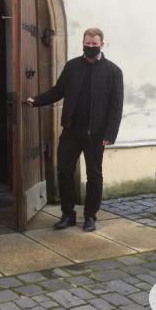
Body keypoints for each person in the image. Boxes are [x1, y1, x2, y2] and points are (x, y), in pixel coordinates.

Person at [26, 27, 123, 232]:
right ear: (83, 43)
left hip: (96, 134)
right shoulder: (72, 66)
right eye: (87, 44)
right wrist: (36, 100)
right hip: (71, 130)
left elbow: (116, 106)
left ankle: (90, 216)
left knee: (94, 176)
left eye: (94, 45)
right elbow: (58, 91)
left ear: (101, 45)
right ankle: (68, 214)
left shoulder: (113, 71)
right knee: (64, 171)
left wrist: (110, 134)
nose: (90, 47)